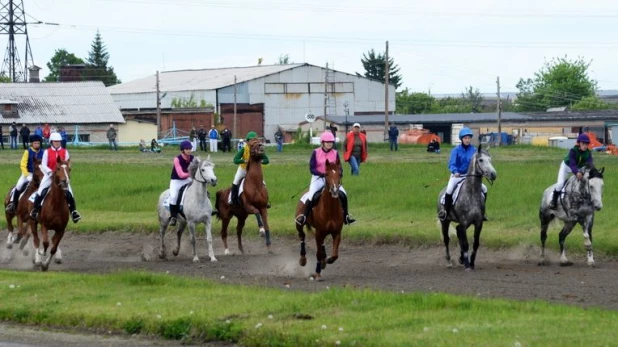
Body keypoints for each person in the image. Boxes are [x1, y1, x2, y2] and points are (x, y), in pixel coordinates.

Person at [295, 131, 356, 226]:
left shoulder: (335, 153)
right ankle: (304, 216)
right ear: (322, 142)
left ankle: (346, 216)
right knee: (311, 196)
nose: (329, 144)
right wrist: (322, 174)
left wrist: (339, 174)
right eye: (327, 142)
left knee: (344, 194)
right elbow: (312, 168)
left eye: (331, 142)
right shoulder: (316, 152)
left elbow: (339, 167)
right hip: (318, 178)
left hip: (332, 180)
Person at [30, 132, 81, 223]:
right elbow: (44, 164)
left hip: (62, 177)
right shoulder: (47, 152)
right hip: (49, 176)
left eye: (59, 141)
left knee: (70, 193)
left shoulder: (65, 152)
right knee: (41, 191)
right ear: (51, 142)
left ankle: (73, 212)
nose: (57, 143)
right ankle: (35, 210)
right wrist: (50, 172)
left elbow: (68, 163)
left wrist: (67, 169)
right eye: (55, 141)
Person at [438, 127, 488, 222]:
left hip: (470, 177)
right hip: (457, 176)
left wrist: (481, 172)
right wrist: (455, 171)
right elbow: (451, 163)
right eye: (465, 138)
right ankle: (445, 211)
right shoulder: (455, 150)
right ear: (461, 139)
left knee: (485, 189)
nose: (467, 140)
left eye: (469, 138)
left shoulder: (474, 150)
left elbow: (478, 163)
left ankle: (482, 211)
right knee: (448, 190)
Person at [550, 133, 594, 209]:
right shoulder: (573, 151)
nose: (585, 146)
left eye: (586, 144)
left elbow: (590, 164)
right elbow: (572, 164)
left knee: (585, 183)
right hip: (567, 167)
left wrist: (591, 172)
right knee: (560, 184)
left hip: (579, 168)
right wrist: (577, 173)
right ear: (579, 143)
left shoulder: (588, 153)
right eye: (583, 143)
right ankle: (553, 200)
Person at [5, 134, 43, 213]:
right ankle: (13, 204)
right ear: (32, 144)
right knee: (18, 185)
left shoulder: (43, 152)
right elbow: (23, 165)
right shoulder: (27, 152)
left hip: (40, 175)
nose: (37, 145)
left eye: (38, 143)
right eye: (35, 143)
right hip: (28, 173)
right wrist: (27, 175)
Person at [230, 131, 269, 205]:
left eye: (255, 140)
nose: (254, 142)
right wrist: (244, 161)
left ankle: (265, 201)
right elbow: (235, 160)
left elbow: (267, 160)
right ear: (247, 141)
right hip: (243, 169)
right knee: (235, 181)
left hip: (254, 170)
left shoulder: (258, 149)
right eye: (251, 140)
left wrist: (261, 162)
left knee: (263, 183)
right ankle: (232, 199)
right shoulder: (244, 149)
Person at [167, 140, 194, 226]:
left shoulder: (193, 158)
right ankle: (173, 217)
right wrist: (191, 174)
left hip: (187, 179)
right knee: (174, 196)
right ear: (182, 150)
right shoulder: (177, 159)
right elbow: (181, 174)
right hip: (176, 181)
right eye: (187, 149)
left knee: (199, 187)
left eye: (190, 148)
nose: (189, 150)